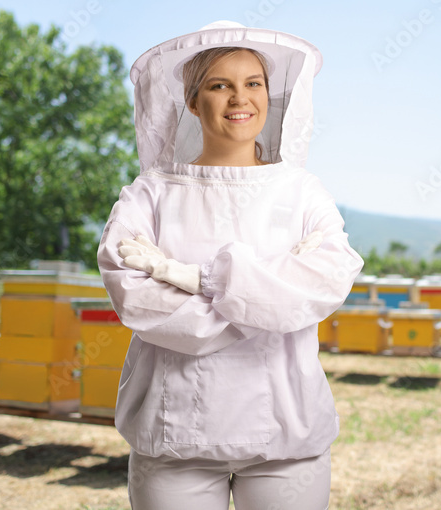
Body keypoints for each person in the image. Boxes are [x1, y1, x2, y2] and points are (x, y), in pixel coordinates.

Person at [97, 20, 363, 510]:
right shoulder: (148, 196)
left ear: (270, 94)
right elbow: (140, 302)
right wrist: (271, 294)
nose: (240, 98)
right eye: (220, 85)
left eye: (253, 83)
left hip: (289, 440)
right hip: (174, 439)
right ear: (192, 101)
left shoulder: (302, 192)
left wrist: (191, 276)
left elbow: (326, 282)